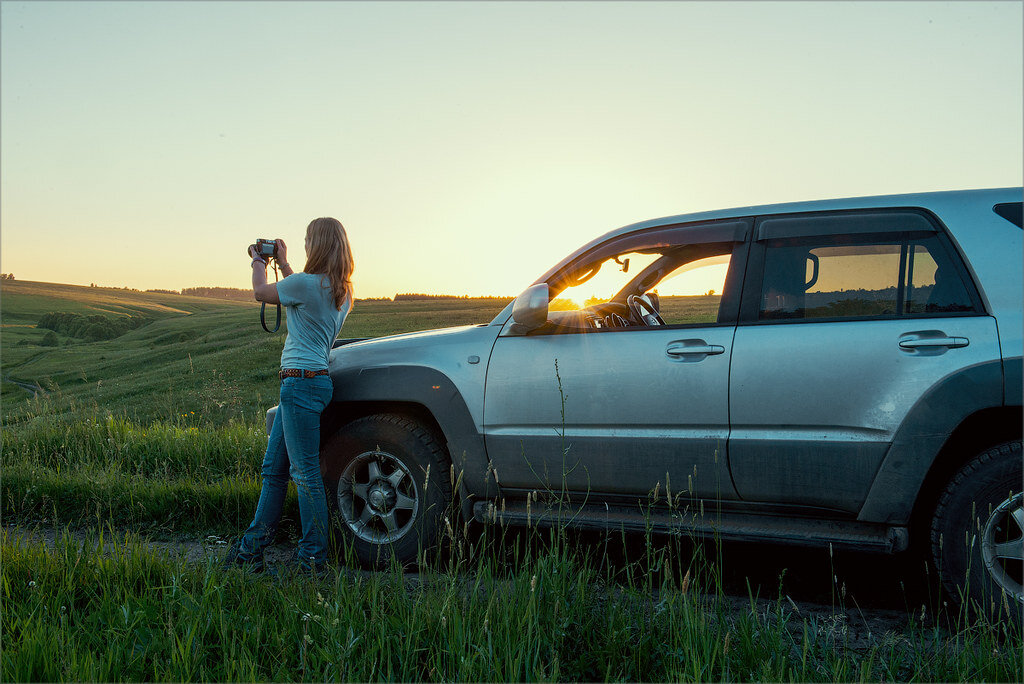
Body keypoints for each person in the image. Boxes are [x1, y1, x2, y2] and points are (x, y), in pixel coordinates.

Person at [225, 217, 354, 576]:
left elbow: (261, 293)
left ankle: (313, 558)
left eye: (309, 240)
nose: (306, 245)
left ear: (318, 245)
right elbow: (302, 289)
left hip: (297, 384)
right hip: (312, 383)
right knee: (274, 470)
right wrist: (282, 263)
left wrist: (257, 260)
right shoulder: (342, 291)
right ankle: (250, 550)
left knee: (304, 473)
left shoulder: (306, 285)